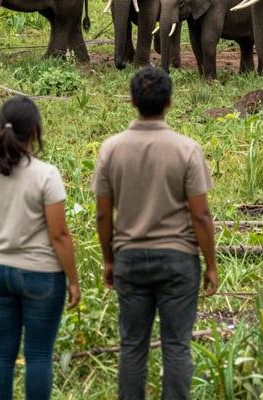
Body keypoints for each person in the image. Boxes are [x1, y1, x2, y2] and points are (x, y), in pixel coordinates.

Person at [92, 66, 218, 400]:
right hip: (178, 260)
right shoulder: (186, 149)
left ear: (132, 102)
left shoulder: (111, 149)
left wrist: (108, 260)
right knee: (177, 345)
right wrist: (211, 264)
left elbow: (104, 213)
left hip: (130, 260)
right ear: (170, 103)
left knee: (132, 346)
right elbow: (201, 215)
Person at [0, 96, 80, 400]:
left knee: (1, 352)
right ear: (35, 132)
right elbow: (59, 235)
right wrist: (73, 279)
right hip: (42, 275)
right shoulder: (46, 175)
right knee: (39, 355)